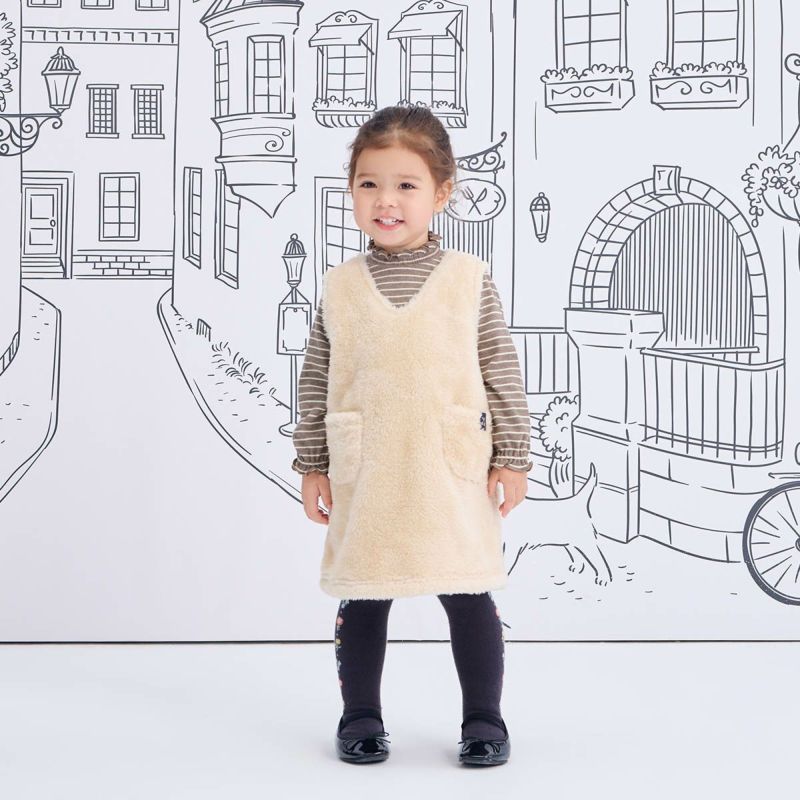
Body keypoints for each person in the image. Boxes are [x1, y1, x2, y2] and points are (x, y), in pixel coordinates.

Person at [291, 105, 532, 767]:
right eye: (369, 184)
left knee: (468, 590)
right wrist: (312, 463)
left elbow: (500, 368)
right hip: (366, 466)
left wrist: (512, 456)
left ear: (441, 193)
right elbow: (317, 377)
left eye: (406, 184)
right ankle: (360, 717)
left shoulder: (468, 279)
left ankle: (484, 719)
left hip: (451, 466)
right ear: (351, 191)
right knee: (365, 592)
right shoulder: (341, 287)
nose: (386, 200)